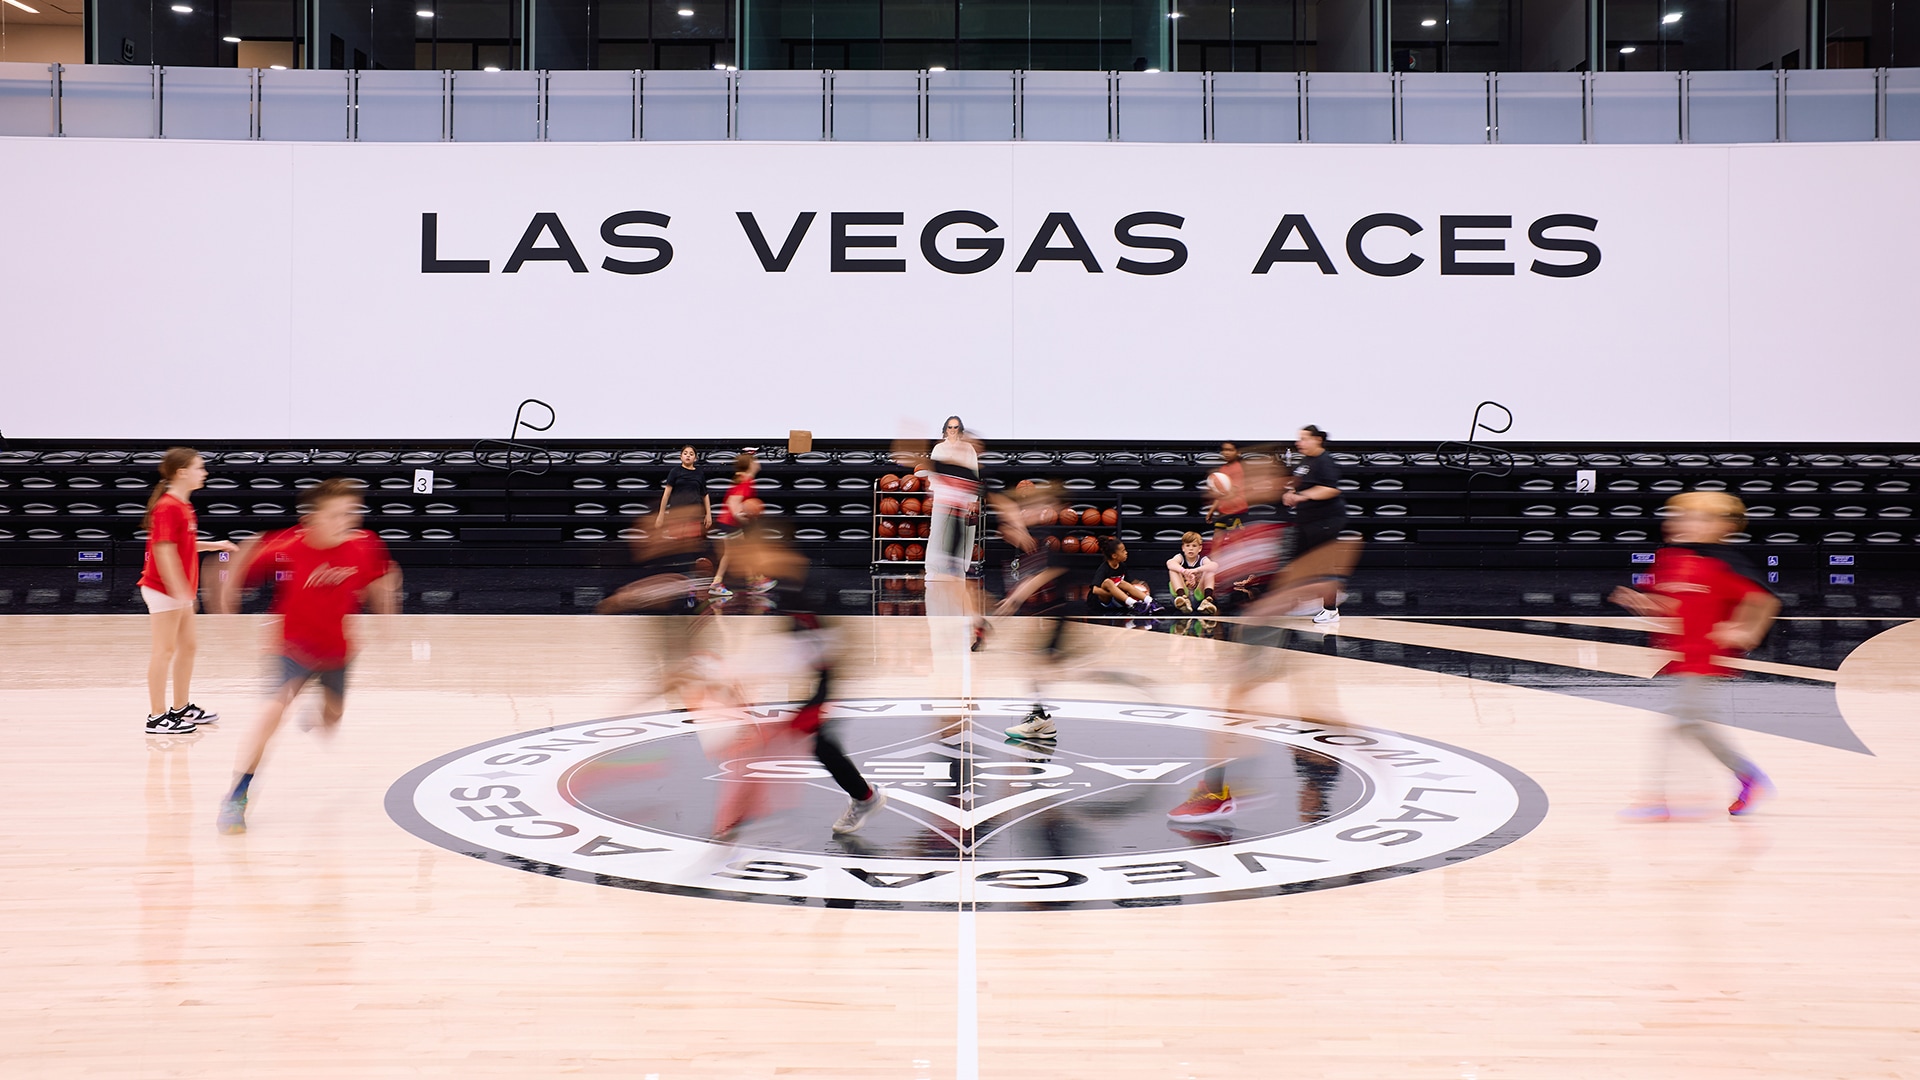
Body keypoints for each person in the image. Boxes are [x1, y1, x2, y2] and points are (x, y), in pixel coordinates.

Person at [214, 478, 401, 834]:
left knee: (332, 720)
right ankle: (237, 795)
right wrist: (227, 601)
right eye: (337, 514)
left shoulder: (364, 547)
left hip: (337, 652)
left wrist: (387, 610)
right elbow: (239, 557)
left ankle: (317, 715)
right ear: (312, 519)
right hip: (292, 648)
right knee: (272, 712)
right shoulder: (287, 545)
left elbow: (386, 573)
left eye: (351, 512)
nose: (348, 520)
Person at [1610, 491, 1778, 821]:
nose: (1682, 523)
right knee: (1692, 727)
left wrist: (1745, 630)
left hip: (1706, 657)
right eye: (1679, 517)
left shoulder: (1725, 563)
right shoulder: (1671, 559)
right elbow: (1673, 604)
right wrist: (1643, 604)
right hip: (1680, 655)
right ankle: (1747, 776)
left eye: (1697, 518)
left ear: (1723, 526)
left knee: (1678, 723)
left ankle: (1656, 800)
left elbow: (1764, 601)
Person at [138, 447, 236, 736]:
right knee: (164, 651)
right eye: (199, 467)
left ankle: (180, 708)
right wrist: (181, 592)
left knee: (188, 648)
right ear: (182, 472)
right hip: (164, 590)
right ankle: (156, 717)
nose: (204, 473)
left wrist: (214, 545)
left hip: (179, 592)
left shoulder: (183, 506)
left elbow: (182, 546)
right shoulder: (168, 507)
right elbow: (164, 552)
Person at [922, 416, 988, 650]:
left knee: (957, 579)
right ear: (944, 430)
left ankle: (975, 621)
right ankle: (975, 622)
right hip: (943, 501)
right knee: (938, 534)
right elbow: (933, 475)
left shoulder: (967, 452)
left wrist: (972, 500)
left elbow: (973, 481)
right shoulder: (940, 450)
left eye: (956, 427)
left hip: (960, 510)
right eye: (949, 427)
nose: (952, 431)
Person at [1281, 425, 1349, 623]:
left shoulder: (1324, 461)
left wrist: (1301, 496)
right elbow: (1301, 483)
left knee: (1323, 564)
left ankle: (1330, 609)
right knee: (1298, 561)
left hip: (1325, 520)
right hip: (1306, 520)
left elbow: (1330, 489)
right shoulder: (1306, 461)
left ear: (1317, 439)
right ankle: (1303, 600)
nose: (1298, 442)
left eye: (1303, 438)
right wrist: (1290, 491)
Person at [707, 453, 767, 600]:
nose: (758, 463)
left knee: (734, 553)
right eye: (755, 461)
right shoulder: (745, 482)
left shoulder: (745, 479)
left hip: (728, 523)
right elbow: (733, 504)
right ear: (750, 465)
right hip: (730, 523)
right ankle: (754, 582)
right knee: (742, 552)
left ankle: (751, 581)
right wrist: (743, 516)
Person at [655, 444, 712, 539]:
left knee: (691, 543)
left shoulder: (699, 473)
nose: (688, 455)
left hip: (693, 513)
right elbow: (666, 495)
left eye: (691, 454)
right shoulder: (675, 472)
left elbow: (705, 494)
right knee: (678, 544)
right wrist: (661, 515)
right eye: (685, 453)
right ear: (680, 457)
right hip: (678, 512)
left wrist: (708, 514)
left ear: (695, 458)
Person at [1088, 537, 1156, 613]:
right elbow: (1095, 590)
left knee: (1123, 583)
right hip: (1102, 601)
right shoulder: (1104, 568)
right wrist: (1114, 593)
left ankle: (1150, 601)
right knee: (1108, 582)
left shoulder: (1122, 566)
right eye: (1123, 551)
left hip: (1117, 600)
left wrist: (1139, 585)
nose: (1126, 552)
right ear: (1114, 556)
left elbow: (1127, 584)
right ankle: (1133, 603)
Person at [1165, 531, 1219, 615]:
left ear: (1200, 548)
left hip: (1198, 596)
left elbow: (1215, 565)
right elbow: (1169, 563)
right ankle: (1182, 597)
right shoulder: (1180, 557)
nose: (1191, 548)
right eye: (1187, 545)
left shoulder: (1202, 559)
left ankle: (1207, 600)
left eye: (1194, 546)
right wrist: (1184, 572)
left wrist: (1195, 570)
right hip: (1180, 598)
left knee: (1210, 570)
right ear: (1183, 548)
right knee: (1172, 569)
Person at [1205, 442, 1250, 533]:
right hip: (1224, 511)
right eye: (1224, 450)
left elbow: (1232, 492)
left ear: (1238, 452)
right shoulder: (1223, 469)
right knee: (1217, 540)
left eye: (1230, 450)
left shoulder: (1238, 469)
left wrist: (1213, 492)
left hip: (1237, 512)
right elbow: (1221, 493)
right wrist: (1211, 510)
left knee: (1237, 543)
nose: (1226, 453)